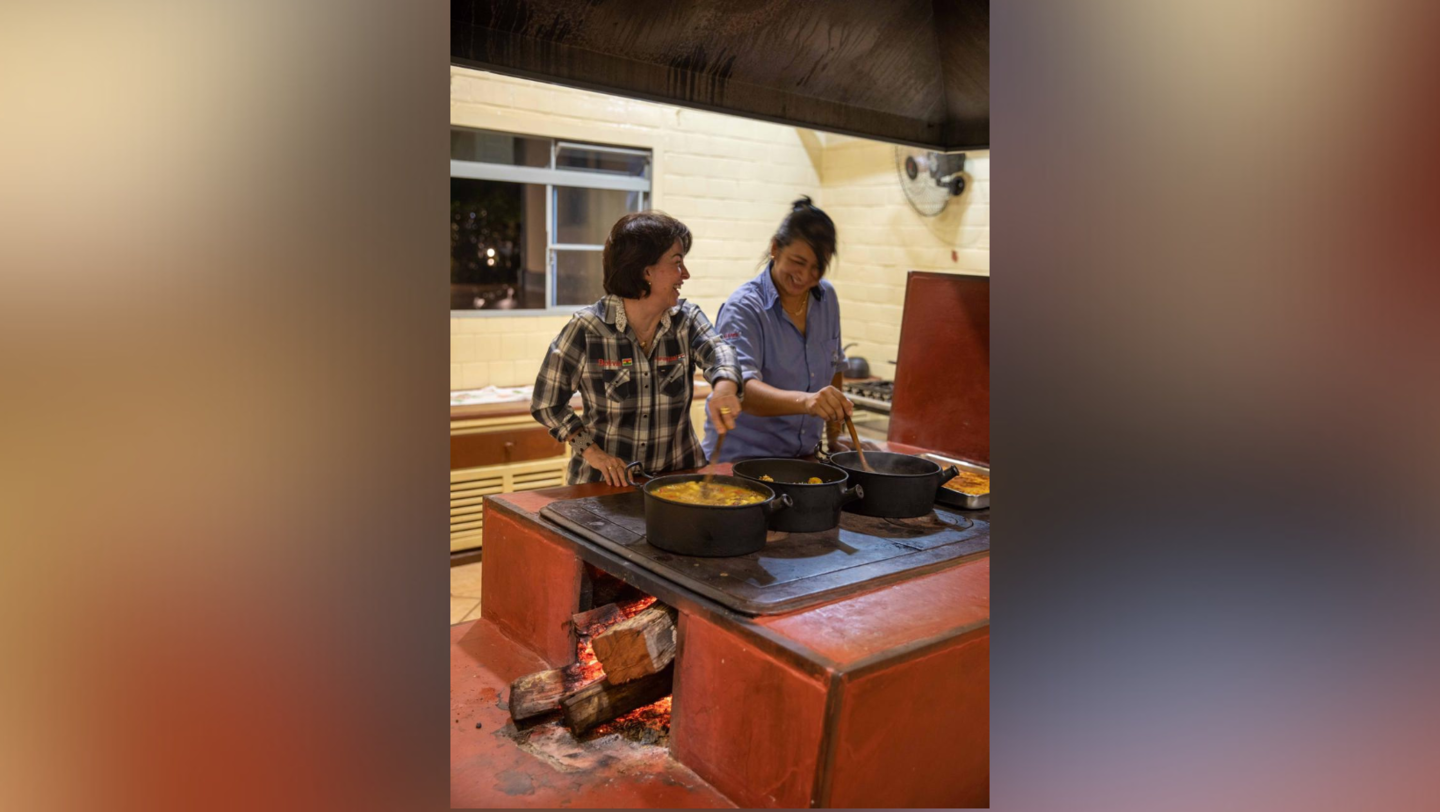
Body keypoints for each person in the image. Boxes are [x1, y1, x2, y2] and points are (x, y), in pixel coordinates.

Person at [532, 211, 744, 486]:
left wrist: (725, 386)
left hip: (677, 482)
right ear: (646, 271)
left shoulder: (686, 320)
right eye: (677, 263)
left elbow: (720, 351)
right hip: (604, 489)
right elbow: (547, 403)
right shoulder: (588, 328)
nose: (686, 274)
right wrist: (594, 453)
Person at [701, 196, 855, 462]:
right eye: (798, 261)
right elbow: (743, 390)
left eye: (817, 267)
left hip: (802, 461)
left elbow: (834, 368)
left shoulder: (826, 297)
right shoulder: (745, 308)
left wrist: (834, 436)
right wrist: (807, 401)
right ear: (775, 248)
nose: (805, 276)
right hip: (742, 463)